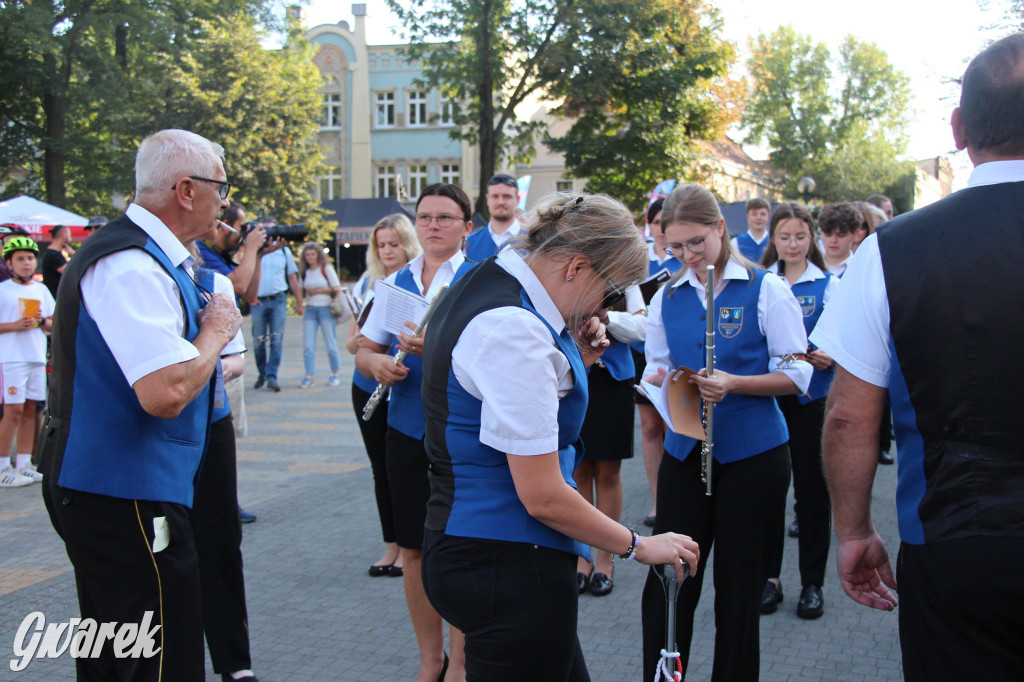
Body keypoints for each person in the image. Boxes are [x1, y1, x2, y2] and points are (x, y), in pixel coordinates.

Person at [811, 33, 1024, 681]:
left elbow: (849, 416)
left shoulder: (893, 249)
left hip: (958, 537)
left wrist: (852, 533)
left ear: (958, 129)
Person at [419, 191, 699, 681]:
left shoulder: (492, 281)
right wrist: (637, 545)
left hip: (483, 552)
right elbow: (543, 496)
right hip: (506, 562)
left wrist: (578, 359)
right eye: (610, 293)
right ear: (574, 267)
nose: (606, 308)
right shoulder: (516, 329)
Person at [38, 128, 243, 680]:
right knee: (154, 655)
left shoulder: (146, 255)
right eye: (220, 187)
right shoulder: (131, 263)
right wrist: (216, 333)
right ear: (185, 190)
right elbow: (166, 392)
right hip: (122, 489)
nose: (225, 201)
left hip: (121, 483)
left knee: (120, 647)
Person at [640, 184, 811, 681]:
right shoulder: (666, 295)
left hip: (753, 456)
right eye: (675, 247)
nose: (688, 256)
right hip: (686, 454)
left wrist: (736, 383)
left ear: (720, 228)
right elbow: (658, 366)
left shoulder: (766, 288)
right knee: (671, 582)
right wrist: (663, 385)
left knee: (738, 591)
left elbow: (798, 375)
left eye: (696, 243)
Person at [355, 183, 477, 682]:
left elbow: (497, 359)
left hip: (464, 431)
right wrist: (377, 362)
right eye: (425, 216)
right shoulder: (398, 281)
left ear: (467, 226)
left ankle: (462, 664)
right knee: (412, 550)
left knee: (463, 546)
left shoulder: (480, 280)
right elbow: (363, 350)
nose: (433, 225)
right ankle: (431, 660)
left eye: (445, 217)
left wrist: (440, 352)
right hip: (406, 428)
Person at [758, 202, 838, 620]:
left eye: (800, 236)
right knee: (770, 490)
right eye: (784, 237)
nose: (792, 244)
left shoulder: (828, 286)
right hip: (769, 398)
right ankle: (769, 579)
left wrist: (828, 354)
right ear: (773, 239)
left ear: (813, 239)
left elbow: (847, 341)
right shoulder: (760, 283)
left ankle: (812, 584)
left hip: (812, 402)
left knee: (811, 492)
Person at [191, 263, 259, 682]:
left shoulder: (212, 283)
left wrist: (213, 362)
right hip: (152, 434)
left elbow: (235, 359)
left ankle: (235, 663)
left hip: (210, 422)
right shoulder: (132, 270)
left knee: (219, 544)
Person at [346, 213, 421, 577]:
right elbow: (353, 339)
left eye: (394, 244)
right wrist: (358, 344)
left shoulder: (419, 280)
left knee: (403, 469)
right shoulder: (368, 282)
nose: (388, 251)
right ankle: (391, 545)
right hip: (369, 385)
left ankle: (409, 548)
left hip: (406, 386)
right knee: (381, 469)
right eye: (381, 245)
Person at [633, 197, 682, 528]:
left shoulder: (686, 259)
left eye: (669, 221)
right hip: (643, 354)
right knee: (650, 428)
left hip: (680, 356)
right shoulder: (639, 262)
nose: (662, 229)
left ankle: (678, 495)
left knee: (674, 428)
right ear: (649, 226)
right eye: (657, 222)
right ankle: (658, 500)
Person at [0, 237, 54, 487]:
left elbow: (53, 323)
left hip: (36, 355)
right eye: (20, 259)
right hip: (11, 358)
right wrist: (13, 325)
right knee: (13, 411)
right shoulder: (3, 290)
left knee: (32, 408)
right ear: (9, 263)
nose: (26, 263)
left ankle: (24, 463)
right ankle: (3, 466)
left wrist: (44, 322)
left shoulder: (41, 290)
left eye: (30, 258)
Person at [252, 218, 303, 392]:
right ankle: (262, 373)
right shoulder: (253, 251)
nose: (269, 236)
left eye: (272, 231)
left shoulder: (284, 251)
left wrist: (298, 301)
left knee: (276, 340)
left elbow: (292, 277)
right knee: (258, 341)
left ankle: (272, 376)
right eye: (265, 232)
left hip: (278, 300)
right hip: (258, 301)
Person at [298, 242, 343, 387]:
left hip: (325, 308)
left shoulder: (326, 269)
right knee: (308, 345)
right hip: (310, 309)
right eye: (307, 255)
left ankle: (334, 373)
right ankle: (309, 375)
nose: (310, 257)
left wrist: (318, 291)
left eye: (312, 254)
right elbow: (300, 288)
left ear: (318, 255)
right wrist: (300, 302)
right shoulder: (305, 271)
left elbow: (336, 288)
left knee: (330, 343)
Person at [464, 174, 521, 261]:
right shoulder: (469, 243)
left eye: (507, 196)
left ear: (518, 199)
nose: (500, 202)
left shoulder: (534, 241)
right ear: (487, 199)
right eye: (495, 196)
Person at [818, 202, 860, 276]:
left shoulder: (860, 269)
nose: (833, 240)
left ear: (855, 234)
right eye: (828, 234)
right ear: (821, 231)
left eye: (841, 235)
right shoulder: (810, 266)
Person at [730, 197, 771, 263]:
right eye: (754, 214)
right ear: (747, 216)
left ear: (768, 216)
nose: (759, 218)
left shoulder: (774, 241)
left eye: (763, 214)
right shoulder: (736, 243)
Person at [41, 224, 74, 299]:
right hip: (55, 298)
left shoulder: (56, 253)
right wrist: (74, 254)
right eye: (69, 235)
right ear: (63, 234)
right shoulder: (53, 255)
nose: (71, 239)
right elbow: (71, 272)